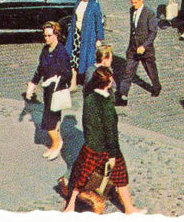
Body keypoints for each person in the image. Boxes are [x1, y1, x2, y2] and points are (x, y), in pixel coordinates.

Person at [61, 66, 143, 214]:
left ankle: (70, 206)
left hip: (90, 145)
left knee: (81, 176)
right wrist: (112, 155)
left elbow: (86, 123)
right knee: (121, 177)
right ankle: (129, 208)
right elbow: (111, 132)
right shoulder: (107, 105)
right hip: (106, 149)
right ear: (108, 83)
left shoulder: (89, 98)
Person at [25, 21, 74, 161]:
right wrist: (33, 82)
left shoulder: (61, 52)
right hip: (47, 91)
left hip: (56, 91)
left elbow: (68, 74)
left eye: (49, 35)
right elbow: (40, 68)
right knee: (52, 120)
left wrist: (56, 80)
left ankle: (57, 143)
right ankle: (54, 143)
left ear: (56, 35)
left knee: (48, 122)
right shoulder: (45, 50)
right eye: (45, 35)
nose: (46, 38)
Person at [117, 0, 160, 104]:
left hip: (146, 50)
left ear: (141, 0)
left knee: (151, 71)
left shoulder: (149, 13)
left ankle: (156, 87)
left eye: (136, 2)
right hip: (133, 48)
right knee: (128, 72)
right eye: (132, 2)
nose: (134, 5)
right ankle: (123, 95)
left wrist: (144, 46)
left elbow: (153, 32)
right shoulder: (132, 11)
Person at [70, 0, 106, 86]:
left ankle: (89, 82)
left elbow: (98, 22)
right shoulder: (78, 3)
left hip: (88, 36)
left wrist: (99, 38)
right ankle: (73, 83)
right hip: (77, 34)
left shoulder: (94, 5)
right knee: (74, 57)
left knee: (88, 59)